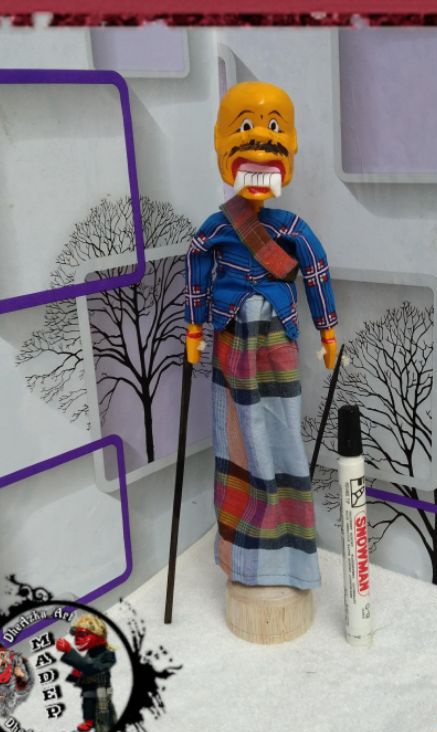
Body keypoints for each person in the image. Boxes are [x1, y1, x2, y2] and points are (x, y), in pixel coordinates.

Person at [184, 81, 338, 590]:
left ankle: (287, 553)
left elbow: (316, 272)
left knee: (283, 431)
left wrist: (328, 330)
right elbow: (196, 268)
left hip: (276, 341)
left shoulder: (290, 227)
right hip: (231, 340)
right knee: (236, 439)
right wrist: (194, 326)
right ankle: (244, 557)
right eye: (246, 126)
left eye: (274, 128)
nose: (261, 139)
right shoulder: (217, 227)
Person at [55, 614, 117, 732]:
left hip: (102, 687)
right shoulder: (90, 652)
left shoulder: (108, 653)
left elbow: (92, 668)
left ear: (98, 634)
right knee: (87, 703)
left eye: (82, 634)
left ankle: (106, 728)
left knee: (103, 708)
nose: (77, 639)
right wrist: (75, 676)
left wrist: (69, 651)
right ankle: (89, 721)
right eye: (76, 635)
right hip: (89, 686)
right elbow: (84, 666)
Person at [0, 643, 32, 717]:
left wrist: (22, 674)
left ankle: (11, 703)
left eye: (2, 655)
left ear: (6, 653)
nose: (0, 659)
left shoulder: (15, 659)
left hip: (12, 684)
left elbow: (26, 677)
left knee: (10, 703)